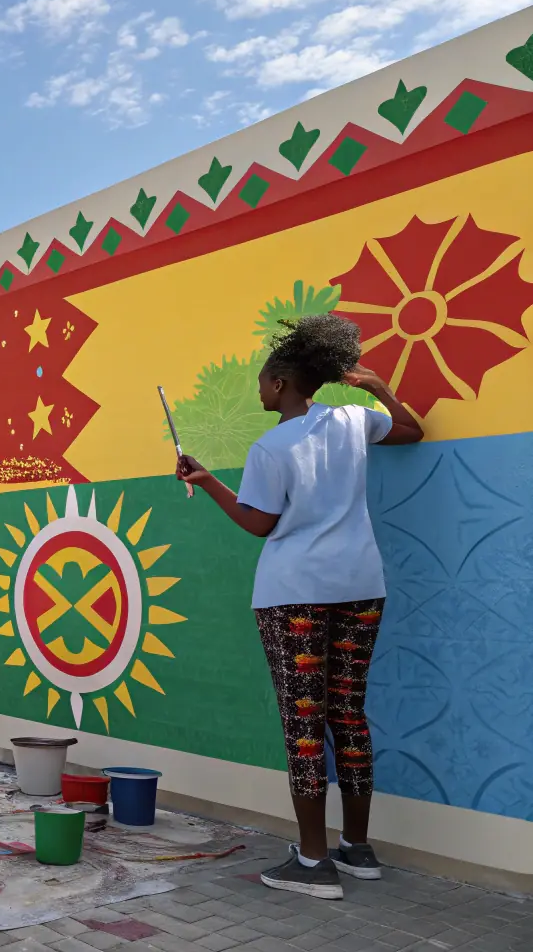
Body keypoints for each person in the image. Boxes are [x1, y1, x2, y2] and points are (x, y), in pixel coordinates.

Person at [176, 314, 423, 900]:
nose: (258, 389)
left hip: (296, 598)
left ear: (283, 382)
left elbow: (259, 524)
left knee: (304, 727)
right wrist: (379, 388)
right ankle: (357, 850)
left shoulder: (271, 446)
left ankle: (314, 863)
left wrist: (209, 483)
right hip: (362, 586)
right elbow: (412, 430)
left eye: (263, 380)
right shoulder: (354, 420)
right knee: (350, 715)